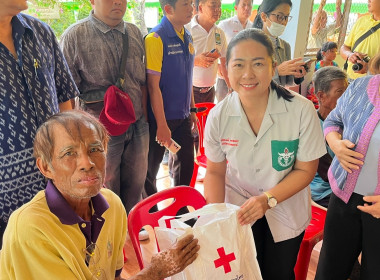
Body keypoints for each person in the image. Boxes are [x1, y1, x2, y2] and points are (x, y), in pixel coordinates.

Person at [0, 110, 200, 280]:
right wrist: (154, 271)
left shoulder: (112, 205)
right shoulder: (30, 229)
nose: (87, 163)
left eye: (95, 149)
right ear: (46, 167)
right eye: (69, 153)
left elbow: (113, 275)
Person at [203, 28, 326, 279]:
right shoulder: (219, 115)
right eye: (239, 65)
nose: (248, 74)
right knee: (242, 272)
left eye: (258, 64)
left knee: (278, 273)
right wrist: (217, 216)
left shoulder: (301, 111)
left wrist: (268, 199)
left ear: (273, 67)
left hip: (285, 208)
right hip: (238, 208)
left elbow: (306, 169)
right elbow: (215, 171)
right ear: (227, 69)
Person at [60, 0, 149, 229]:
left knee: (137, 181)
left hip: (137, 122)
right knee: (103, 185)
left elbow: (141, 82)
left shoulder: (134, 32)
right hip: (98, 131)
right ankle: (108, 232)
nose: (118, 2)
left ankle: (130, 227)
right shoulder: (75, 36)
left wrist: (146, 118)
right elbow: (65, 92)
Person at [0, 0, 78, 247]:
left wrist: (70, 155)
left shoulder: (41, 32)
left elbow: (65, 95)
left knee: (64, 254)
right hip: (6, 197)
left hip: (57, 182)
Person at [315, 50, 380, 280]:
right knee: (329, 270)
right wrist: (336, 144)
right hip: (344, 195)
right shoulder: (361, 87)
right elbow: (333, 120)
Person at [144, 0, 197, 204]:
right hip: (160, 119)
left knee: (185, 166)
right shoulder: (156, 38)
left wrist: (192, 108)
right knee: (151, 169)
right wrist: (162, 124)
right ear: (168, 9)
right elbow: (152, 86)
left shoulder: (187, 35)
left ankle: (180, 210)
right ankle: (151, 214)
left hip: (183, 116)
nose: (191, 8)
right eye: (186, 4)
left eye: (191, 4)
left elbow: (188, 76)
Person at [310, 66, 348, 208]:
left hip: (341, 186)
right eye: (340, 92)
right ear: (321, 96)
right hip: (324, 192)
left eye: (347, 89)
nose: (346, 96)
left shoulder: (347, 121)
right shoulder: (311, 124)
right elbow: (328, 173)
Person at [252, 0, 306, 87]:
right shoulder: (251, 44)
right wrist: (277, 71)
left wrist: (297, 75)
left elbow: (287, 82)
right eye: (279, 16)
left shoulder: (285, 46)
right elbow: (251, 79)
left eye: (286, 17)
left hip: (278, 97)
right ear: (264, 16)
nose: (284, 22)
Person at [187, 0, 230, 104]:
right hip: (190, 92)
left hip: (210, 91)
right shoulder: (186, 29)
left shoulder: (220, 33)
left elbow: (224, 63)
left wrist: (231, 87)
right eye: (213, 5)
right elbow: (176, 62)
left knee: (208, 120)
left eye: (219, 6)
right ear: (200, 8)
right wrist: (196, 61)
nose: (217, 10)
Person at [216, 0, 253, 102]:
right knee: (222, 108)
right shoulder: (224, 25)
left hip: (245, 76)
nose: (247, 8)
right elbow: (215, 47)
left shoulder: (254, 28)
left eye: (249, 5)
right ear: (236, 8)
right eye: (243, 5)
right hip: (225, 76)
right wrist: (218, 64)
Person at [340, 0, 380, 80]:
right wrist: (350, 55)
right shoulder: (361, 21)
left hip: (374, 84)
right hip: (349, 80)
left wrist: (369, 68)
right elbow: (344, 47)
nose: (368, 0)